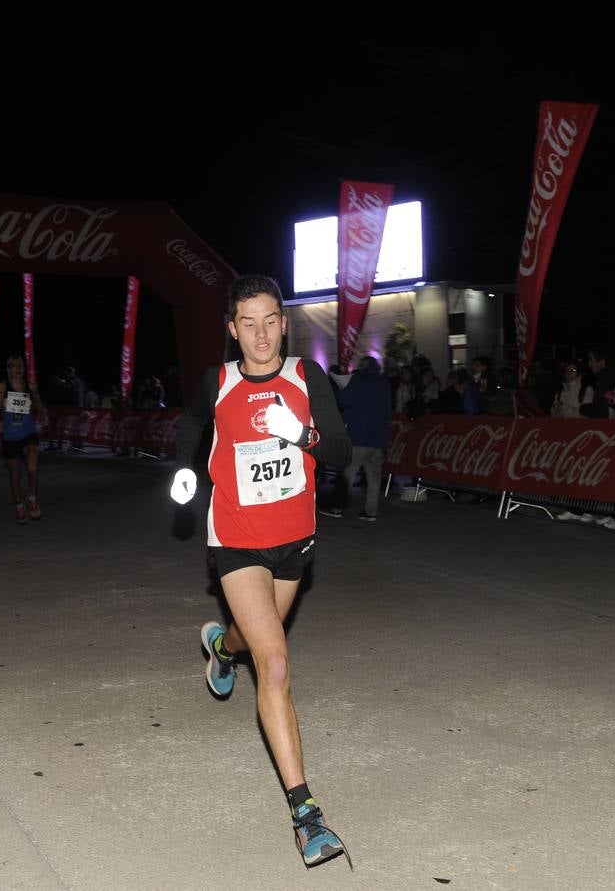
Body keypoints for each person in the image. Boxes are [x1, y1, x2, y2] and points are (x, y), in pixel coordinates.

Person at [170, 275, 353, 868]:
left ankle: (221, 645)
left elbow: (342, 452)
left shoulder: (307, 378)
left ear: (284, 322)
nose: (261, 333)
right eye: (247, 322)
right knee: (274, 663)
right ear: (232, 329)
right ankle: (307, 814)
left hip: (294, 544)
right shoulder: (217, 381)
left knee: (253, 640)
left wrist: (298, 432)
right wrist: (185, 468)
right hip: (238, 543)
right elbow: (193, 423)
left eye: (270, 319)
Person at [321, 355, 391, 521]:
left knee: (347, 475)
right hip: (378, 439)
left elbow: (343, 401)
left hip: (358, 437)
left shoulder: (358, 381)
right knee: (374, 479)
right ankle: (370, 511)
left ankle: (337, 507)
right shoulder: (384, 384)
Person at [0, 354, 48, 524]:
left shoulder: (30, 385)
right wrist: (2, 404)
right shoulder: (2, 386)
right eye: (14, 366)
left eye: (21, 366)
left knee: (32, 467)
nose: (18, 369)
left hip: (29, 433)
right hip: (11, 437)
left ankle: (31, 497)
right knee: (15, 475)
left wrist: (43, 411)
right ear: (8, 369)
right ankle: (19, 506)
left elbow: (38, 403)